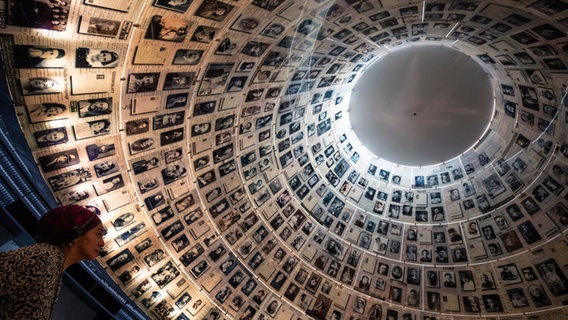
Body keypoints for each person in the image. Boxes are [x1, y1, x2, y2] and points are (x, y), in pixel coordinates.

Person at [0, 205, 104, 320]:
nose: (102, 243)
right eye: (98, 234)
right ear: (76, 232)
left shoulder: (53, 266)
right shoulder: (42, 258)